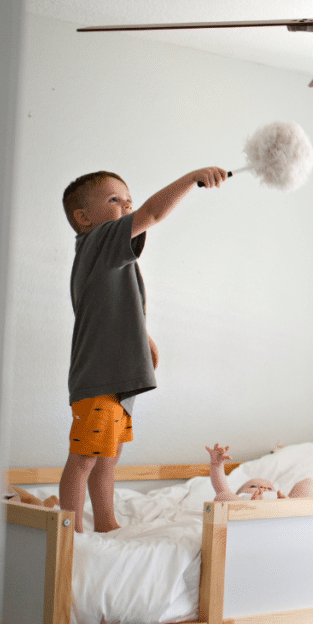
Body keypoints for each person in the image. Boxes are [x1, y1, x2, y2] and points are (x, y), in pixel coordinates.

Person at [58, 166, 227, 532]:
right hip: (100, 377)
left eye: (128, 200)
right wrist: (191, 179)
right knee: (84, 459)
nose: (127, 205)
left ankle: (106, 523)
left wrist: (143, 339)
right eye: (114, 200)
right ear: (84, 218)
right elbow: (151, 213)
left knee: (107, 461)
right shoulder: (98, 241)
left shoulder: (110, 260)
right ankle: (67, 536)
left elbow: (113, 312)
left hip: (118, 379)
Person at [205, 443, 313, 501]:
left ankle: (294, 506)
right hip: (245, 517)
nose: (262, 488)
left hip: (282, 515)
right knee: (222, 497)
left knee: (311, 484)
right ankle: (255, 509)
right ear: (239, 493)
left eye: (269, 488)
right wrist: (217, 465)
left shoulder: (279, 497)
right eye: (253, 486)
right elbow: (221, 488)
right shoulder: (241, 498)